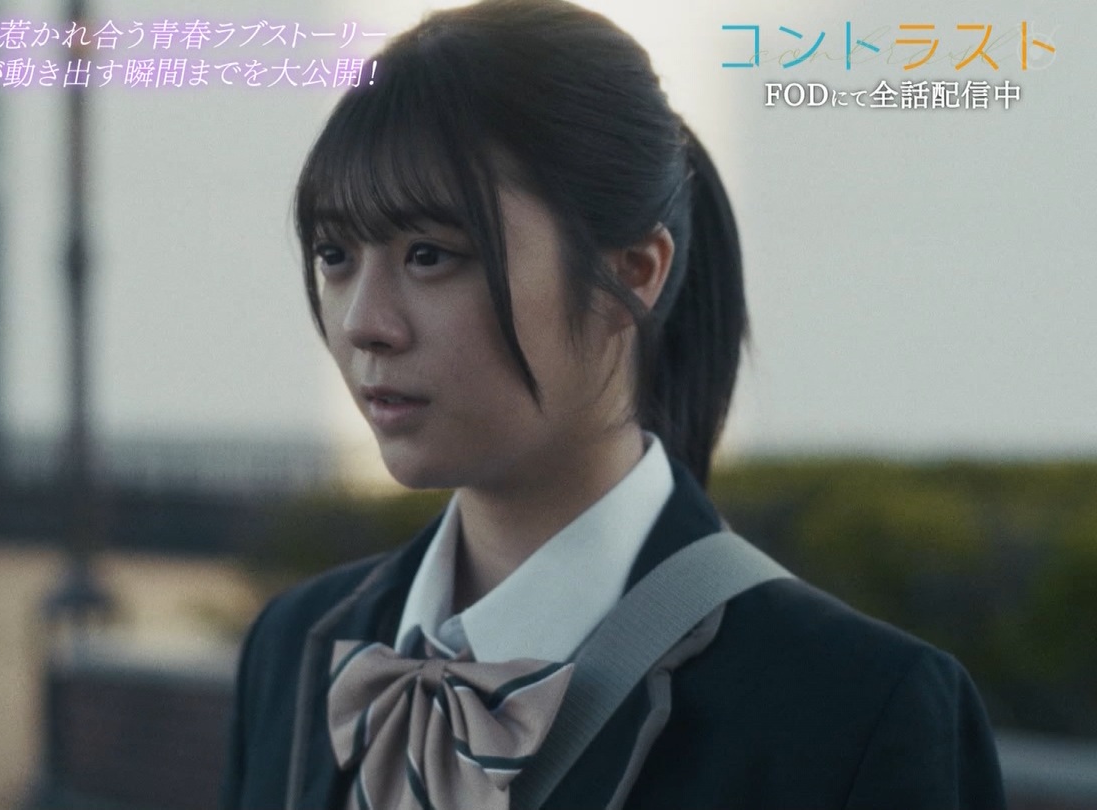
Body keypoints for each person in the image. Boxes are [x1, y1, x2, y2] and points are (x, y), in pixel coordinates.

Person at [221, 1, 1007, 808]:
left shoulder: (856, 711)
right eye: (334, 255)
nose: (364, 322)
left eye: (430, 255)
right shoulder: (296, 647)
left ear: (632, 272)